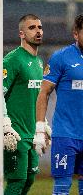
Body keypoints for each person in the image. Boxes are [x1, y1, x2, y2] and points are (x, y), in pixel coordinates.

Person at [3, 14, 51, 195]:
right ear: (21, 34)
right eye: (32, 28)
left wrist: (43, 124)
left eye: (39, 27)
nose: (38, 31)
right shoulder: (12, 60)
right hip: (16, 135)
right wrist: (4, 125)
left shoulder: (39, 63)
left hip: (32, 134)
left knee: (29, 179)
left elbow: (37, 97)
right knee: (17, 181)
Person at [36, 14, 83, 195]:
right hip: (66, 135)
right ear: (75, 34)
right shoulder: (61, 58)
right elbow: (44, 92)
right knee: (62, 188)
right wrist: (40, 129)